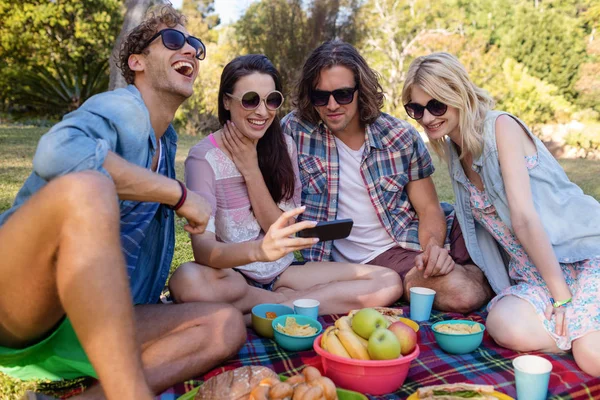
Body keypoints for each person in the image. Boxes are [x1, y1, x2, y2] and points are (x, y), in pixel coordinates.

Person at [0, 6, 246, 399]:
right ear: (137, 61)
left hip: (90, 323)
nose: (189, 52)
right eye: (172, 40)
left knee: (225, 324)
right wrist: (180, 195)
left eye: (195, 46)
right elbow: (55, 153)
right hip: (19, 304)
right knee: (88, 190)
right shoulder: (118, 107)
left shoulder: (166, 147)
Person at [402, 52, 600, 376]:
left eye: (436, 105)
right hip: (534, 275)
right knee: (502, 324)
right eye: (416, 109)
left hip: (578, 256)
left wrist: (562, 298)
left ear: (458, 94)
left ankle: (580, 334)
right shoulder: (456, 151)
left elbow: (523, 219)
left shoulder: (501, 127)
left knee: (592, 356)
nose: (426, 117)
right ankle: (580, 330)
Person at [168, 54, 402, 316]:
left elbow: (281, 228)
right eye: (250, 100)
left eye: (272, 100)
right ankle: (290, 303)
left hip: (284, 273)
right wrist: (258, 251)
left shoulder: (283, 145)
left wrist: (250, 169)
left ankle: (270, 310)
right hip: (233, 278)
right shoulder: (204, 158)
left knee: (388, 280)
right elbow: (203, 251)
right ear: (226, 100)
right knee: (186, 280)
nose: (262, 111)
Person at [281, 40, 493, 314]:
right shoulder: (294, 132)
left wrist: (432, 249)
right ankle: (478, 276)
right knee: (462, 294)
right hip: (383, 259)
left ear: (361, 90)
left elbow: (428, 208)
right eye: (321, 96)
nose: (331, 105)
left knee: (505, 245)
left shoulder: (399, 136)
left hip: (435, 232)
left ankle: (485, 273)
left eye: (343, 94)